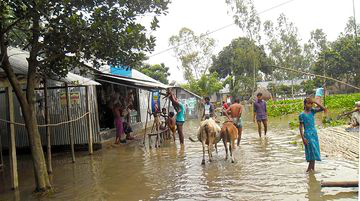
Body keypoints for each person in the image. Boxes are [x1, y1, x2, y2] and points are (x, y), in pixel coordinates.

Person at [299, 97, 327, 172]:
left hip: (314, 133)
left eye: (311, 104)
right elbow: (301, 127)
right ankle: (308, 170)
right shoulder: (301, 115)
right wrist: (303, 138)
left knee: (314, 152)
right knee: (312, 151)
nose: (310, 105)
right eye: (309, 103)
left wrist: (315, 102)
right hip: (307, 134)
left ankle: (312, 170)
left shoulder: (312, 111)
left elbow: (323, 108)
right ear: (305, 104)